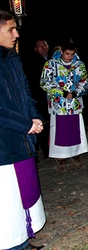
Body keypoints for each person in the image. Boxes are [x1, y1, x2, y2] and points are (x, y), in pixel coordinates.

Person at [0, 10, 46, 250]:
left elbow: (26, 92)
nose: (16, 34)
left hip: (23, 140)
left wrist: (35, 117)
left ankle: (23, 238)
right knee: (6, 200)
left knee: (24, 192)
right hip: (4, 145)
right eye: (10, 29)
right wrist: (25, 124)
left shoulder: (12, 58)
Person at [40, 41, 88, 171]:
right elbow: (44, 83)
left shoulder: (79, 65)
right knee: (60, 131)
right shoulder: (50, 64)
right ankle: (60, 159)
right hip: (59, 105)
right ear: (61, 51)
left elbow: (85, 82)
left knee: (75, 131)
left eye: (72, 54)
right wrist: (61, 92)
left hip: (74, 104)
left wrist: (75, 92)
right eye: (67, 54)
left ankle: (76, 157)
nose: (70, 57)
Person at [23, 38, 51, 161]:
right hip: (39, 98)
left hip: (51, 98)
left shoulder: (52, 60)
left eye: (44, 45)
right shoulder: (33, 63)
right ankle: (43, 150)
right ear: (35, 49)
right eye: (40, 46)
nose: (43, 48)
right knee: (41, 123)